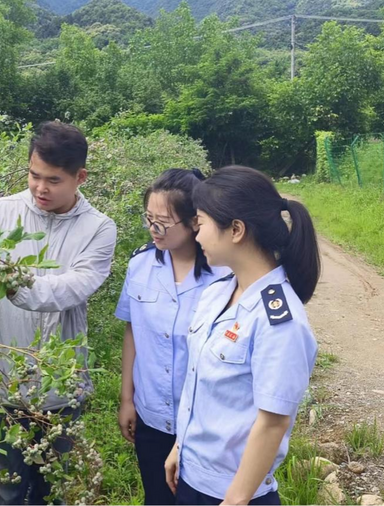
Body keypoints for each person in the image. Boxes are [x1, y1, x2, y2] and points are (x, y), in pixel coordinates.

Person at [0, 121, 117, 504]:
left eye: (54, 180)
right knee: (3, 489)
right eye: (34, 176)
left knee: (55, 490)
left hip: (60, 390)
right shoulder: (0, 211)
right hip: (0, 381)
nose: (40, 188)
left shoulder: (99, 229)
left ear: (80, 177)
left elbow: (70, 288)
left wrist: (6, 283)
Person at [164, 165, 321, 505]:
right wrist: (181, 446)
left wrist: (235, 499)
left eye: (201, 222)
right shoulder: (218, 292)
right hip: (192, 477)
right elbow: (202, 385)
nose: (197, 234)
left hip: (233, 495)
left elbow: (273, 423)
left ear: (235, 230)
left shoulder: (280, 321)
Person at [114, 168, 230, 505]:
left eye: (162, 222)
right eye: (148, 218)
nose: (153, 229)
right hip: (152, 416)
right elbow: (133, 331)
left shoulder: (223, 276)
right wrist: (126, 400)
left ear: (195, 222)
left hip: (205, 424)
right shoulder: (140, 266)